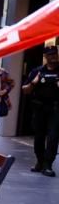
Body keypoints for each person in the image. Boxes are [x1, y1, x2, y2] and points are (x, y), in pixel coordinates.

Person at [24, 46, 59, 176]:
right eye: (50, 55)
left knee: (53, 137)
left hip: (56, 109)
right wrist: (34, 83)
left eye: (55, 54)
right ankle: (39, 161)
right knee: (39, 137)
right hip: (39, 108)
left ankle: (48, 164)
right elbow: (25, 90)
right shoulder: (37, 71)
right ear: (45, 56)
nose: (53, 57)